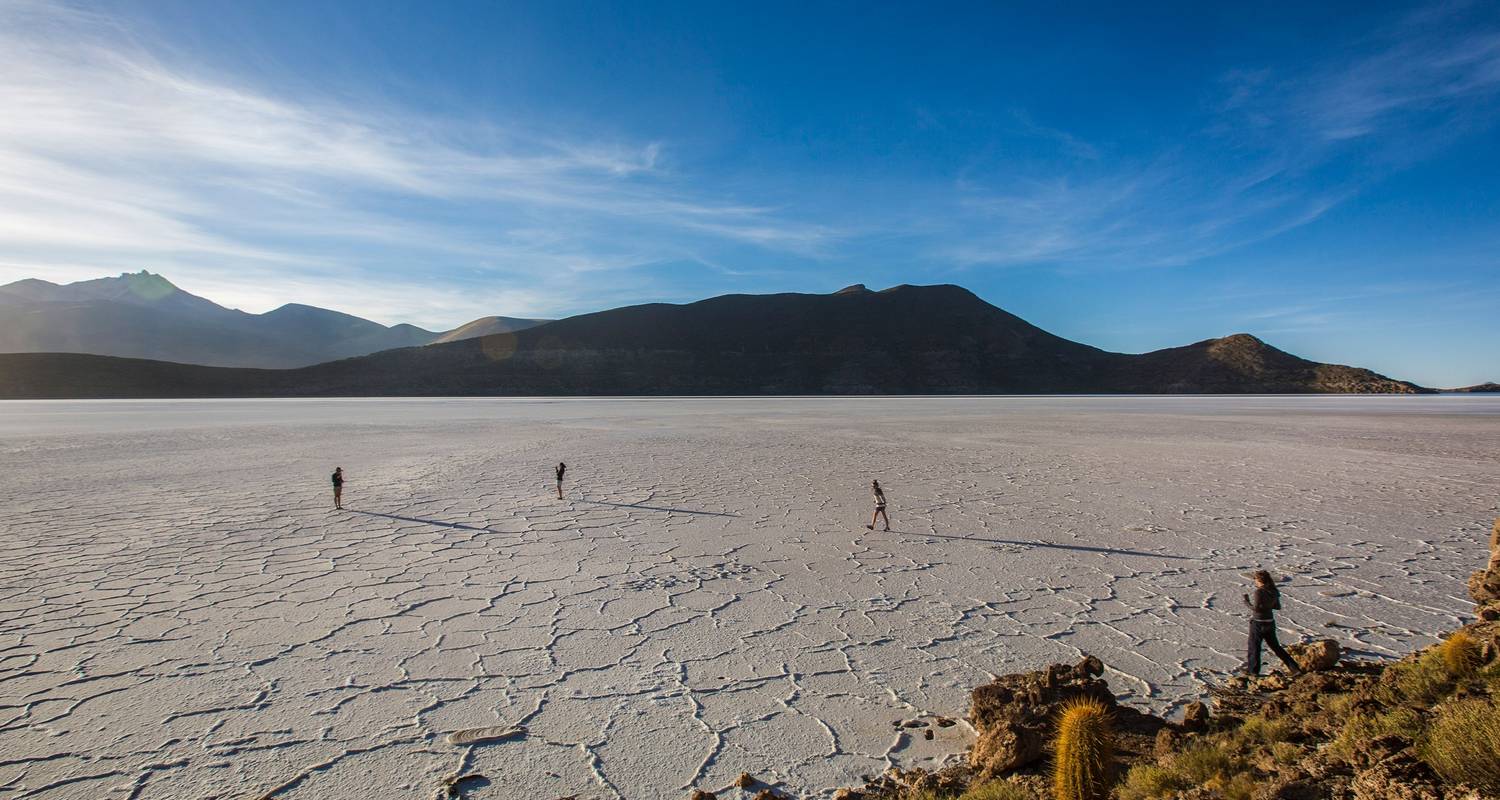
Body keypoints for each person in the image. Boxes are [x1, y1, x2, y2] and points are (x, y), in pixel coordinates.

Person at [1242, 570, 1302, 676]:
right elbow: (1277, 607)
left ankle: (1253, 671)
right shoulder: (1273, 590)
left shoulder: (1259, 592)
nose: (1254, 581)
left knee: (1254, 647)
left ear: (1259, 580)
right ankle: (1295, 669)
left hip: (1258, 623)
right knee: (1276, 647)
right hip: (1270, 622)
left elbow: (1257, 608)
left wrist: (1246, 602)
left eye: (1255, 579)